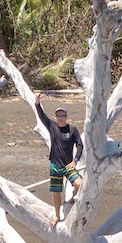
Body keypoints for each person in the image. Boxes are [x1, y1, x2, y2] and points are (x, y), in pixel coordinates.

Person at [35, 92, 83, 226]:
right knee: (56, 193)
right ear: (55, 117)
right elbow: (41, 115)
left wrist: (75, 161)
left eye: (63, 115)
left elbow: (80, 145)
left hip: (68, 165)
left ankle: (73, 196)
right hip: (55, 165)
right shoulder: (52, 126)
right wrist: (37, 102)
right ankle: (57, 216)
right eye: (58, 115)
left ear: (66, 116)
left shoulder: (72, 129)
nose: (60, 118)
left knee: (79, 183)